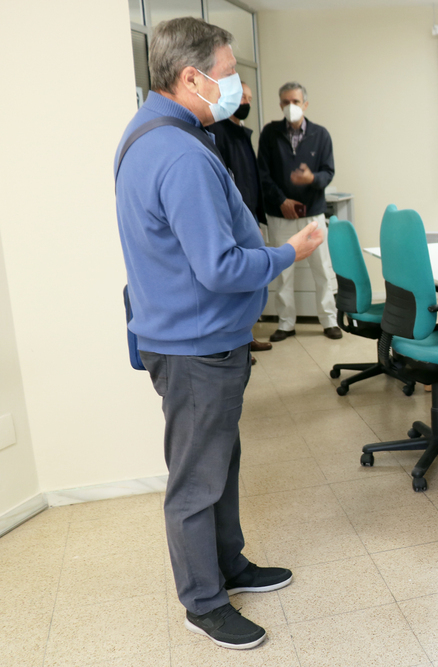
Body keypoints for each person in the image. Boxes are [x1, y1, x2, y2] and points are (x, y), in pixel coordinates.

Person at [114, 17, 324, 650]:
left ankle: (230, 565)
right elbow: (222, 266)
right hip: (195, 347)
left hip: (192, 338)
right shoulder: (178, 153)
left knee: (218, 463)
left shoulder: (152, 131)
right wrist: (293, 253)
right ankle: (204, 602)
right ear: (191, 77)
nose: (237, 88)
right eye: (229, 76)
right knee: (196, 479)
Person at [257, 81, 341, 342]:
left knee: (323, 270)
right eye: (285, 102)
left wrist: (311, 179)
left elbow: (328, 172)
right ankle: (285, 323)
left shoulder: (321, 134)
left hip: (313, 215)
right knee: (283, 274)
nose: (290, 106)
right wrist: (281, 200)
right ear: (280, 105)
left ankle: (329, 320)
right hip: (280, 215)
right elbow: (263, 174)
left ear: (305, 103)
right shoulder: (270, 134)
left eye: (295, 101)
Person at [206, 81, 272, 362]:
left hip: (249, 217)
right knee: (239, 283)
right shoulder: (217, 132)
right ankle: (238, 343)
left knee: (251, 283)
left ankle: (246, 337)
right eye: (242, 96)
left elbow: (250, 180)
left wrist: (255, 216)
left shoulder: (241, 133)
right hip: (233, 223)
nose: (245, 102)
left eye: (249, 98)